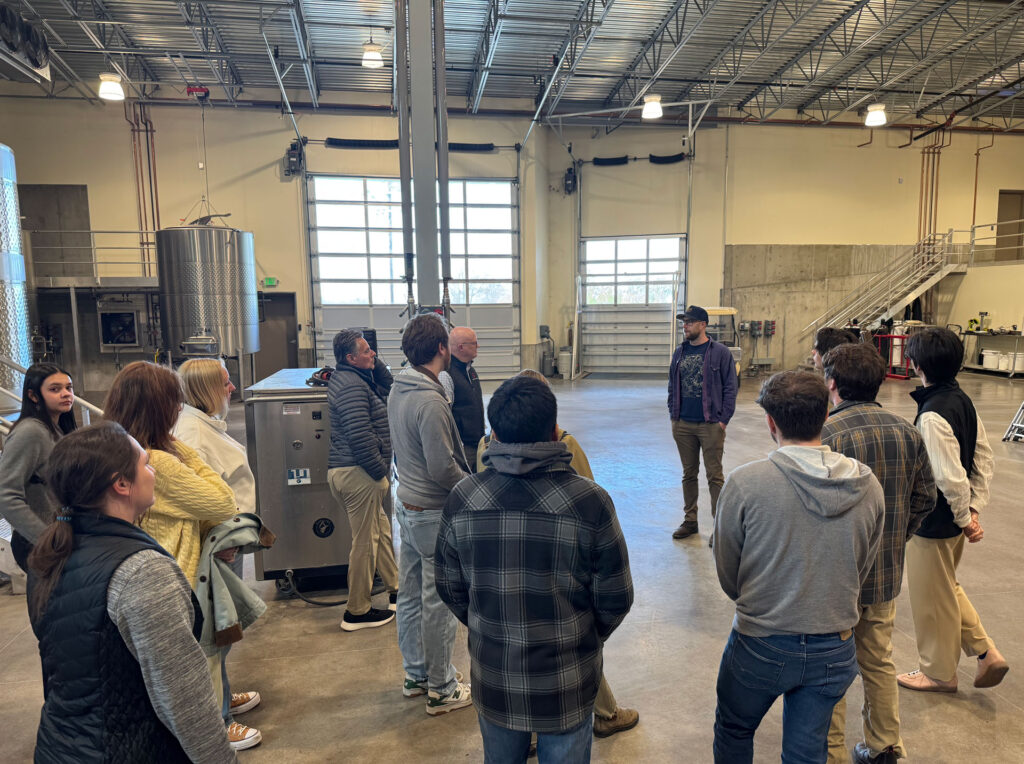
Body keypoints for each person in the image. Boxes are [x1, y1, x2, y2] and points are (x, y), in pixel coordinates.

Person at [436, 375, 633, 763]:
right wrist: (580, 639)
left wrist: (492, 627)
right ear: (556, 430)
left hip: (495, 676)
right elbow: (615, 599)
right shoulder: (590, 502)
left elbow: (450, 588)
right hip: (568, 683)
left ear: (493, 433)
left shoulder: (464, 498)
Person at [26, 422, 235, 764]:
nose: (153, 471)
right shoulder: (141, 571)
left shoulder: (49, 556)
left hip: (60, 747)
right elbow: (183, 700)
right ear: (121, 484)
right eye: (146, 464)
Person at [712, 371, 884, 763]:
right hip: (834, 643)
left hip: (761, 640)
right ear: (826, 414)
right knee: (808, 751)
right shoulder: (867, 485)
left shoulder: (744, 484)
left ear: (770, 422)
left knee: (735, 729)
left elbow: (728, 570)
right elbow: (864, 563)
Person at [104, 361, 255, 750]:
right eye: (174, 401)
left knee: (212, 645)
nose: (179, 408)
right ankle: (215, 724)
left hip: (185, 558)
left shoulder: (140, 449)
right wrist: (181, 452)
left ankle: (221, 701)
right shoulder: (161, 460)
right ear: (158, 407)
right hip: (178, 569)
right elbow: (220, 499)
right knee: (197, 654)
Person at [820, 344, 936, 764]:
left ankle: (829, 752)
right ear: (880, 380)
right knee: (879, 661)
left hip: (836, 580)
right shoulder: (907, 432)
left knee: (830, 667)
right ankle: (884, 746)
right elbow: (925, 496)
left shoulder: (827, 435)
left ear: (832, 384)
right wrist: (894, 537)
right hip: (885, 575)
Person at [897, 328, 1008, 692]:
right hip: (955, 521)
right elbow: (982, 456)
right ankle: (985, 652)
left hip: (934, 521)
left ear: (916, 364)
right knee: (945, 587)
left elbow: (949, 477)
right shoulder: (961, 399)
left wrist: (966, 517)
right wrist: (973, 509)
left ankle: (938, 673)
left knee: (931, 600)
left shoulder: (932, 415)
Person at [388, 313, 473, 715]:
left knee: (410, 595)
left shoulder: (399, 389)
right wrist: (472, 489)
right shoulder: (430, 400)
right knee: (438, 600)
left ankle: (416, 674)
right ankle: (441, 688)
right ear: (442, 348)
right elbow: (442, 469)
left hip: (406, 506)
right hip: (431, 514)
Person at [175, 358, 263, 743]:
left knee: (225, 632)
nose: (232, 389)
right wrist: (218, 541)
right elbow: (199, 498)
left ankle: (224, 697)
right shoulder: (192, 432)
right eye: (225, 383)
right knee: (212, 637)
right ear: (206, 389)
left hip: (227, 542)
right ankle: (217, 723)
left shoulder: (205, 424)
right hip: (216, 548)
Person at [327, 329, 399, 631]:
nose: (372, 354)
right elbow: (360, 436)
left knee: (380, 532)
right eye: (366, 350)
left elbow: (389, 386)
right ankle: (356, 611)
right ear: (349, 358)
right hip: (359, 473)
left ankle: (397, 589)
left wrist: (372, 358)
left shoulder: (356, 379)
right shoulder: (351, 387)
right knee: (365, 542)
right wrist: (380, 470)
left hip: (356, 471)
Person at [668, 305, 738, 541]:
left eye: (689, 322)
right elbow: (671, 385)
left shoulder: (720, 352)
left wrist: (723, 420)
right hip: (683, 423)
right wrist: (673, 416)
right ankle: (690, 521)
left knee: (714, 476)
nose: (685, 325)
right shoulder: (679, 353)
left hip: (710, 424)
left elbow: (731, 387)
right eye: (684, 322)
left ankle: (719, 528)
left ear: (703, 325)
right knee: (689, 474)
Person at [0, 363, 76, 571]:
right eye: (55, 389)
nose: (65, 394)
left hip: (61, 536)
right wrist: (44, 538)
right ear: (33, 396)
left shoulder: (57, 429)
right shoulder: (30, 432)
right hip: (39, 544)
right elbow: (6, 495)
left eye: (68, 388)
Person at [447, 327, 485, 471]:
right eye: (474, 343)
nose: (478, 346)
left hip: (477, 441)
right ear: (461, 347)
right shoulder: (447, 374)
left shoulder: (470, 370)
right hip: (462, 448)